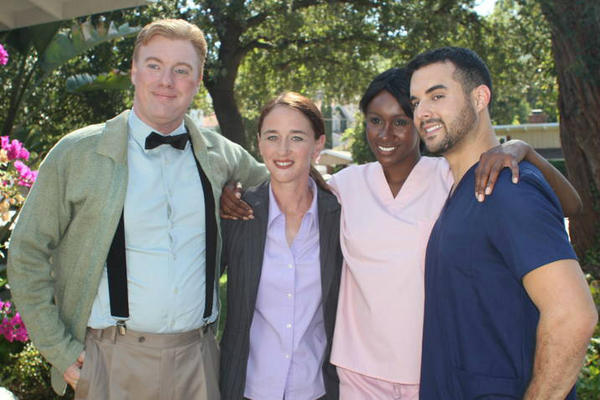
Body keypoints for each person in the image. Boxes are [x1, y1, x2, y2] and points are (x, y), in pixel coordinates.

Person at [220, 67, 583, 399]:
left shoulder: (451, 177)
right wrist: (232, 193)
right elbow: (290, 177)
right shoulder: (347, 185)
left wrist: (523, 151)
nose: (385, 133)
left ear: (418, 124)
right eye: (375, 121)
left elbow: (571, 205)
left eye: (400, 122)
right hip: (357, 373)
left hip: (430, 369)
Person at [7, 19, 268, 399]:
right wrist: (58, 350)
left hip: (198, 362)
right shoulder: (77, 153)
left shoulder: (223, 156)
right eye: (154, 65)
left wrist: (242, 194)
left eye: (182, 70)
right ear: (133, 70)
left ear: (197, 81)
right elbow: (26, 251)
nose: (166, 81)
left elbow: (284, 188)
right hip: (109, 363)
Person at [408, 46, 597, 399]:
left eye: (437, 95)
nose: (422, 112)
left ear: (480, 98)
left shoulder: (508, 188)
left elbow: (574, 316)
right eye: (416, 102)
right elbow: (571, 204)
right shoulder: (468, 188)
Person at [219, 92, 342, 400]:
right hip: (247, 388)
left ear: (317, 145)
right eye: (272, 137)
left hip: (315, 389)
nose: (283, 150)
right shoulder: (237, 213)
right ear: (259, 143)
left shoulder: (339, 216)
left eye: (296, 138)